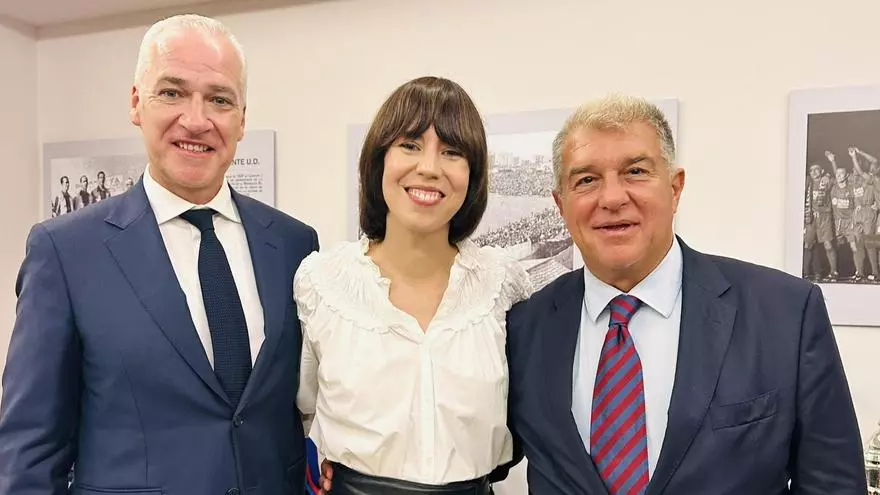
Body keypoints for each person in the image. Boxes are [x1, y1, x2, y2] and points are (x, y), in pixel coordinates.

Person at [0, 14, 318, 494]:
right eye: (172, 93)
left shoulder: (294, 245)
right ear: (136, 103)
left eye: (219, 99)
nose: (196, 120)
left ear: (242, 118)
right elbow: (30, 451)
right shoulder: (65, 253)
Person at [504, 94, 866, 494]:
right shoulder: (524, 329)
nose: (612, 198)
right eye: (586, 180)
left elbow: (834, 485)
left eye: (635, 171)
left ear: (675, 189)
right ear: (561, 204)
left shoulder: (785, 314)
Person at [294, 76, 531, 495]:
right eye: (410, 145)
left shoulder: (503, 285)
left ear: (473, 174)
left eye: (452, 152)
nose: (429, 168)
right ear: (378, 160)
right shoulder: (322, 282)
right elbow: (299, 411)